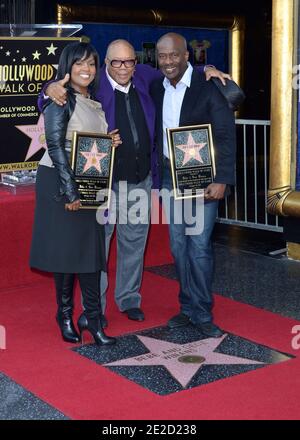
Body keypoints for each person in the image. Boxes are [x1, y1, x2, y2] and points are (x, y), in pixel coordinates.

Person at [42, 38, 230, 327]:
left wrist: (209, 68)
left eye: (129, 61)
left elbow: (178, 67)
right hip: (103, 184)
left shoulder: (146, 77)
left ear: (136, 63)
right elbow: (56, 96)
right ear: (106, 63)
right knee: (99, 247)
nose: (123, 68)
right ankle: (96, 308)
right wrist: (48, 88)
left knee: (133, 243)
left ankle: (129, 298)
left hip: (140, 182)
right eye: (116, 62)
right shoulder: (94, 85)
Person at [30, 42, 121, 346]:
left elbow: (83, 142)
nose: (87, 69)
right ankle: (65, 314)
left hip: (89, 183)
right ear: (68, 67)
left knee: (92, 253)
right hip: (60, 182)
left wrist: (107, 142)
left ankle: (93, 319)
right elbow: (55, 145)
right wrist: (70, 192)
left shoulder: (92, 101)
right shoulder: (60, 97)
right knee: (68, 253)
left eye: (92, 64)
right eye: (80, 63)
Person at [150, 33, 236, 337]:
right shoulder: (154, 86)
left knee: (198, 246)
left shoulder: (209, 86)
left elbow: (226, 135)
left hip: (204, 180)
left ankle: (202, 312)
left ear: (187, 55)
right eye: (162, 56)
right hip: (170, 179)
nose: (168, 61)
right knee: (178, 245)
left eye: (174, 55)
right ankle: (186, 307)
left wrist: (222, 179)